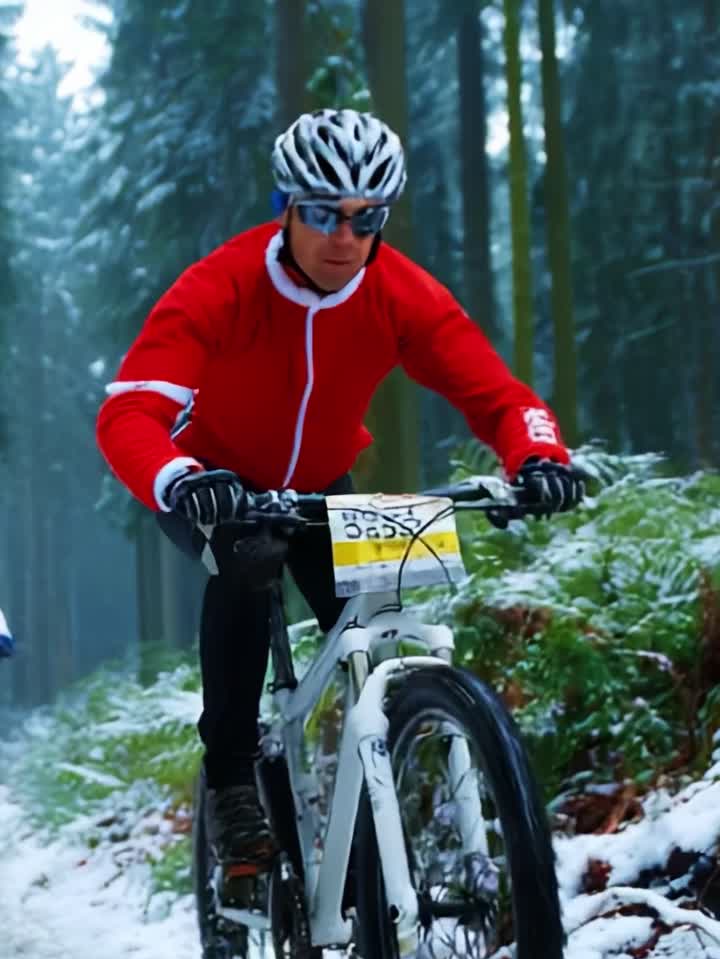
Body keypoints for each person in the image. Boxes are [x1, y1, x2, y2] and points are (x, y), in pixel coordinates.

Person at [96, 108, 584, 903]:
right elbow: (129, 413)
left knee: (379, 632)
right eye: (322, 213)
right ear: (287, 205)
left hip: (324, 488)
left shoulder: (398, 292)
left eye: (366, 219)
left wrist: (539, 455)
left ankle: (382, 794)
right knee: (249, 562)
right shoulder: (222, 285)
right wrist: (181, 477)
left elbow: (497, 393)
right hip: (213, 482)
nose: (344, 237)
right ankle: (231, 779)